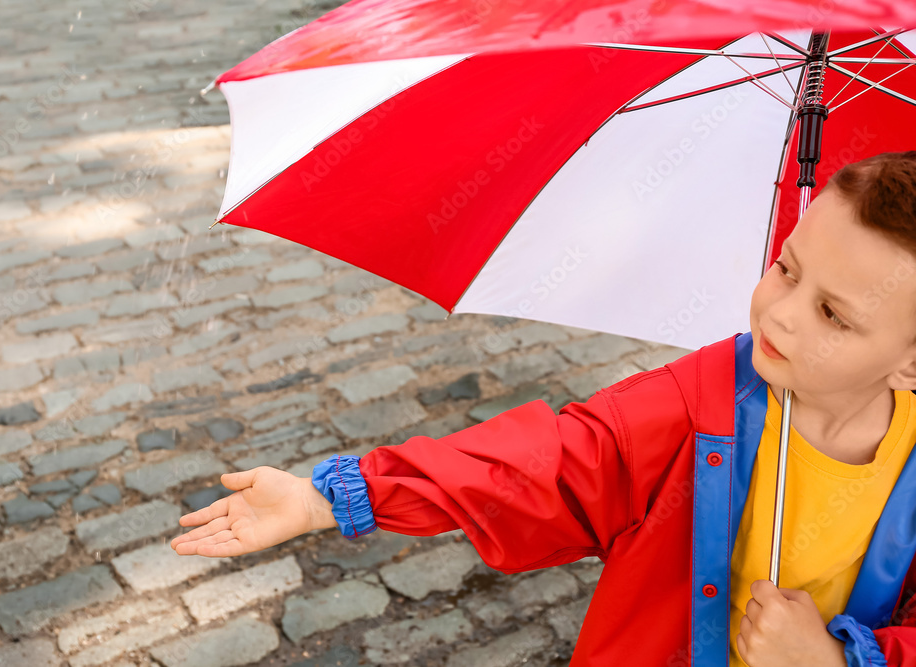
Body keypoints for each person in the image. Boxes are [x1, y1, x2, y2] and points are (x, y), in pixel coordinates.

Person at [171, 151, 916, 667]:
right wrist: (327, 497)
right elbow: (539, 464)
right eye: (786, 268)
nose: (781, 315)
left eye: (834, 315)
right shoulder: (698, 407)